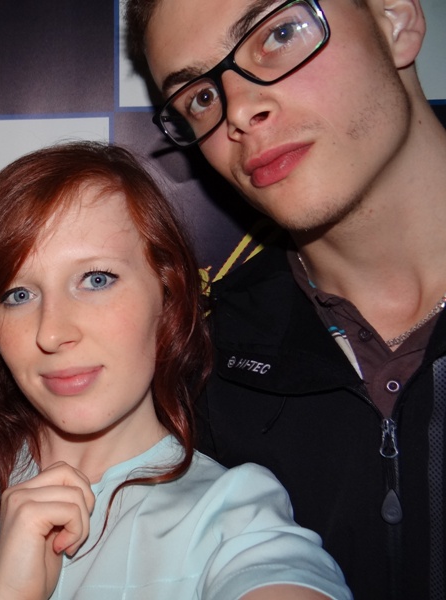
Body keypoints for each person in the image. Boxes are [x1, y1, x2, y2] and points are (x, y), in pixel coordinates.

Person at [0, 141, 351, 599]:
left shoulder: (228, 516)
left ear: (168, 294)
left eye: (96, 279)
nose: (52, 332)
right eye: (17, 294)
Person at [124, 1, 446, 599]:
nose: (238, 111)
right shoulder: (199, 371)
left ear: (395, 20)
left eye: (278, 34)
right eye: (200, 96)